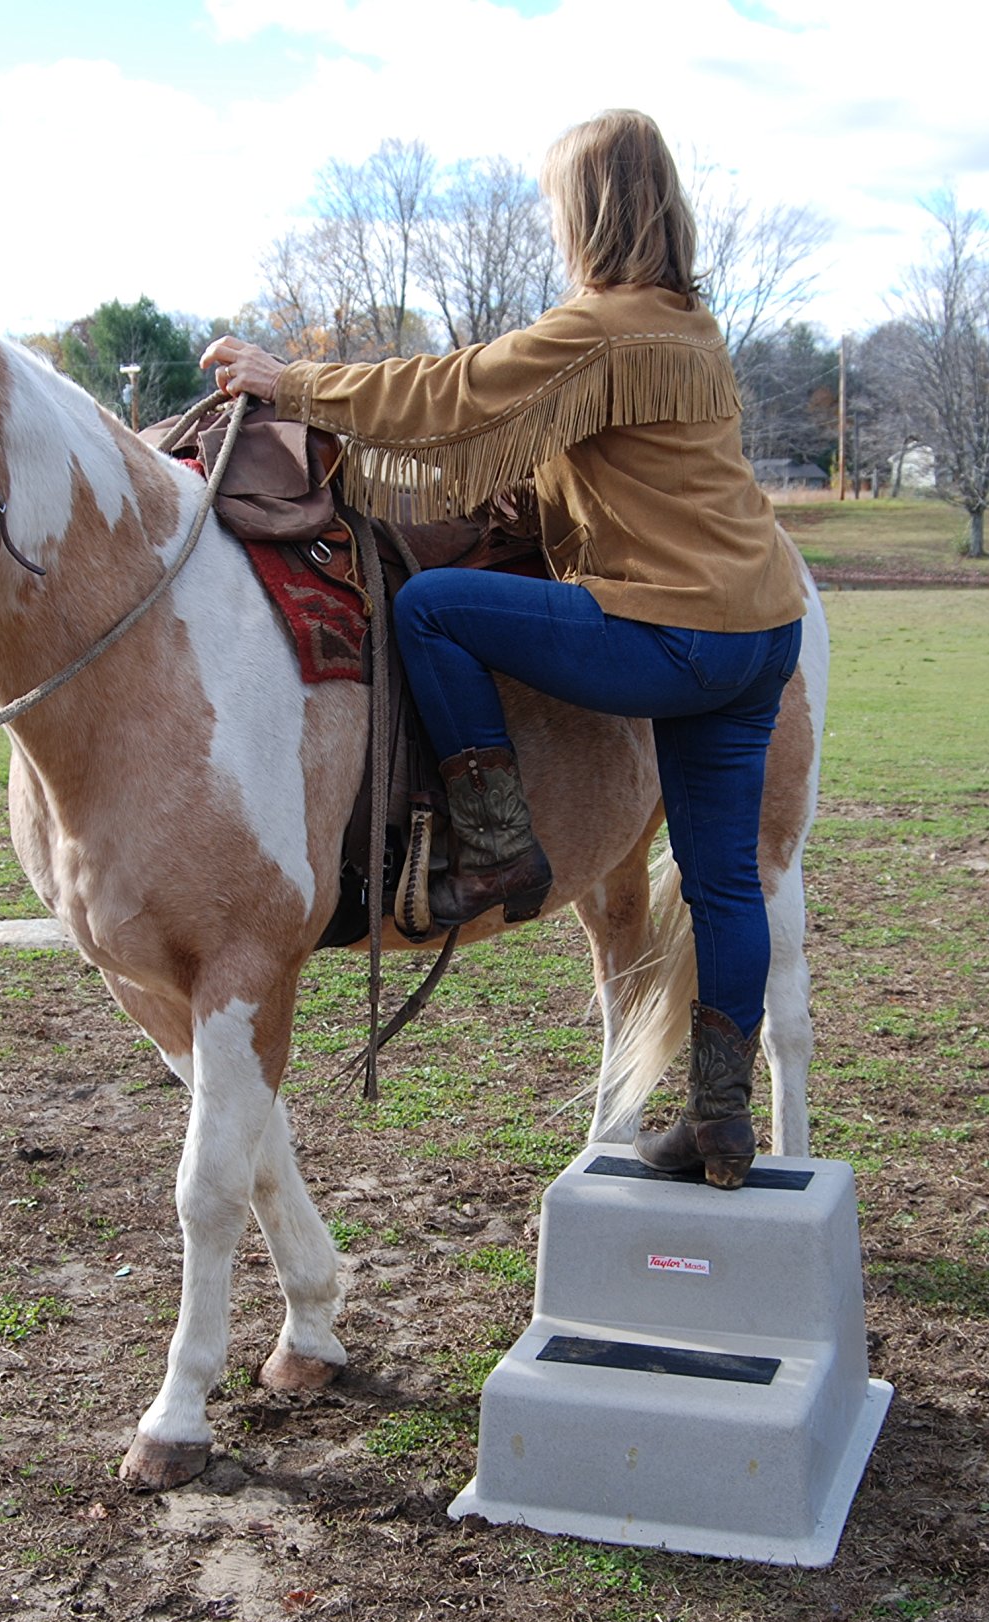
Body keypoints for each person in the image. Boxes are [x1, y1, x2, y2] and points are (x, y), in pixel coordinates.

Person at [200, 109, 805, 1189]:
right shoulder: (689, 332)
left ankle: (495, 840)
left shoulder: (601, 328)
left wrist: (289, 384)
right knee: (720, 886)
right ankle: (720, 1121)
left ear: (589, 211)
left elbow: (451, 391)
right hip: (761, 634)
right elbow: (585, 465)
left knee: (433, 607)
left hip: (672, 631)